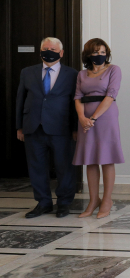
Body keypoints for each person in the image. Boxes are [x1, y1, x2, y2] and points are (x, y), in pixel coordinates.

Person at [15, 37, 78, 218]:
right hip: (33, 127)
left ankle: (64, 203)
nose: (49, 51)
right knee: (36, 167)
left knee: (64, 166)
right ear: (40, 51)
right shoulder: (27, 72)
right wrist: (19, 127)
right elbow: (20, 100)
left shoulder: (72, 74)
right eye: (45, 48)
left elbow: (75, 102)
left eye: (53, 48)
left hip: (62, 128)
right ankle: (43, 203)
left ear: (61, 53)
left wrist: (75, 129)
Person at [73, 38, 124, 219]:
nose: (100, 55)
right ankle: (93, 200)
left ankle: (107, 200)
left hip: (106, 118)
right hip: (85, 120)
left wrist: (93, 118)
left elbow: (111, 96)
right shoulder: (82, 74)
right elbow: (77, 97)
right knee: (90, 159)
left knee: (107, 158)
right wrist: (82, 118)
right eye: (96, 52)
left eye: (103, 52)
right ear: (88, 54)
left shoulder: (113, 70)